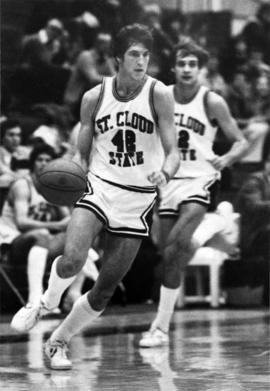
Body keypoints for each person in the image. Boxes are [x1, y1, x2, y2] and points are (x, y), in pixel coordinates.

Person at [11, 23, 180, 370]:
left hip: (138, 199)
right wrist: (70, 176)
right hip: (99, 189)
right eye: (134, 53)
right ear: (117, 57)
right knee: (72, 259)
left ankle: (58, 340)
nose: (141, 60)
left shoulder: (159, 94)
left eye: (146, 54)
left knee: (104, 289)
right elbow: (80, 156)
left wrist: (167, 171)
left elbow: (173, 149)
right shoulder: (94, 97)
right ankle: (44, 302)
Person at [139, 40, 249, 348]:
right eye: (182, 63)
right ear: (173, 67)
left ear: (200, 70)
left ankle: (159, 328)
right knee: (168, 254)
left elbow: (240, 141)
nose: (187, 69)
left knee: (177, 245)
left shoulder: (211, 101)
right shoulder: (160, 99)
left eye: (193, 64)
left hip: (201, 179)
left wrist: (225, 159)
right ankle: (162, 328)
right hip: (168, 181)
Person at [0, 144, 70, 306]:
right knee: (43, 233)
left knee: (75, 239)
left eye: (48, 160)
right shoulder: (22, 185)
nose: (43, 163)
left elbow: (67, 219)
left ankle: (71, 296)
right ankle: (34, 299)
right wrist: (58, 225)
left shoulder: (52, 187)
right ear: (33, 163)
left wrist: (66, 223)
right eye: (40, 160)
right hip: (11, 242)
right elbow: (22, 222)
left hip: (40, 244)